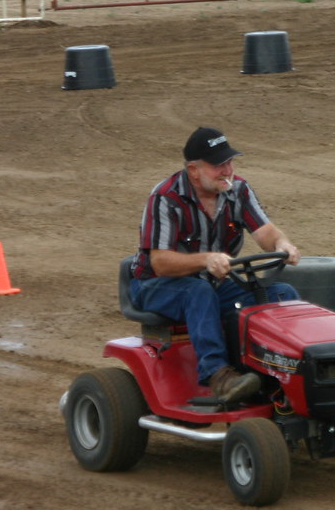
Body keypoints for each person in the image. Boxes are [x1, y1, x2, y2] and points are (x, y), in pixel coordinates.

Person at [129, 127, 301, 402]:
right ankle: (217, 375)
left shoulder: (239, 190)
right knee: (198, 292)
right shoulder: (165, 197)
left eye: (229, 162)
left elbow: (266, 232)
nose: (227, 170)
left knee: (283, 294)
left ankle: (279, 372)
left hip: (214, 283)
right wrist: (206, 259)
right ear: (194, 170)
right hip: (155, 286)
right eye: (218, 165)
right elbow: (160, 263)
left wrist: (282, 244)